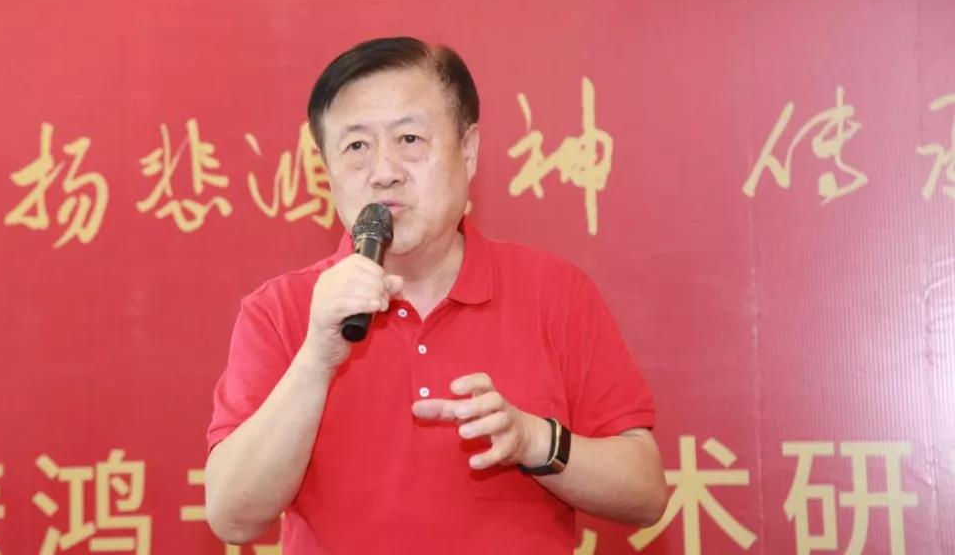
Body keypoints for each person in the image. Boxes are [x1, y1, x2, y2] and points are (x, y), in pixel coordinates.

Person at [205, 37, 667, 553]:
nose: (384, 172)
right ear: (326, 170)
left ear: (468, 151)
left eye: (409, 139)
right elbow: (232, 518)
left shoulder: (555, 293)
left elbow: (646, 492)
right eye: (356, 147)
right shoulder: (281, 311)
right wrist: (315, 357)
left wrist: (534, 440)